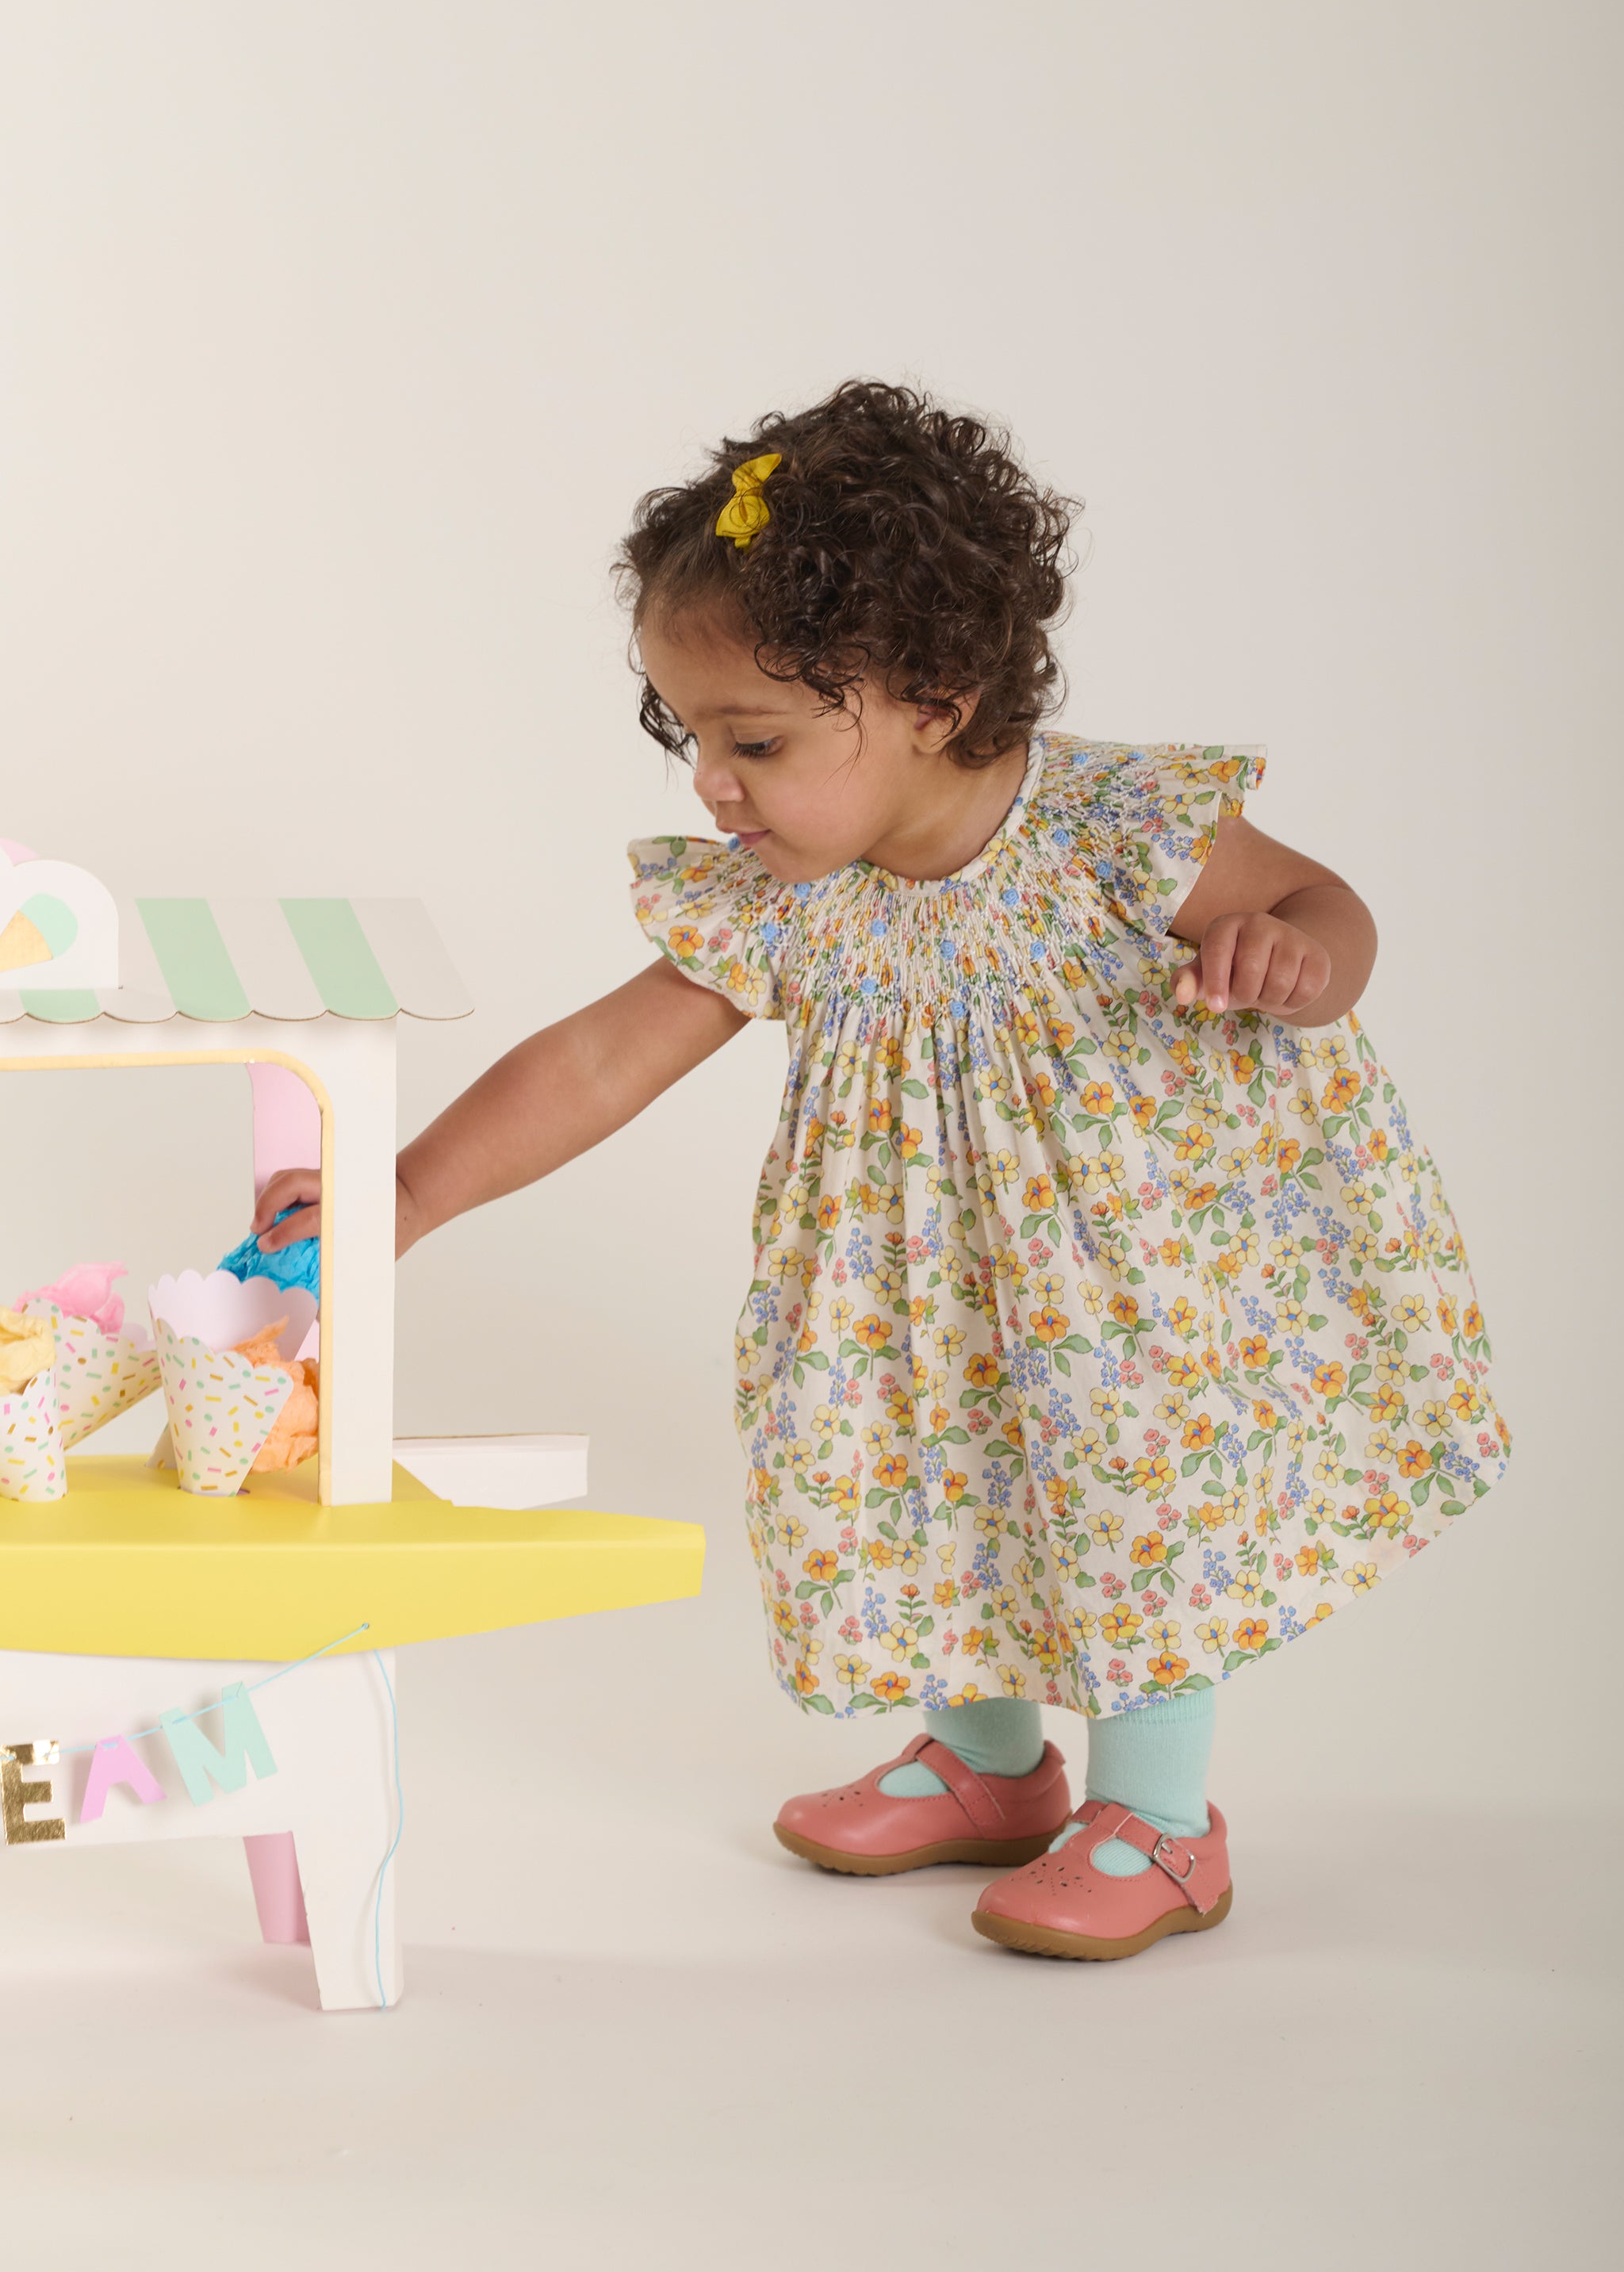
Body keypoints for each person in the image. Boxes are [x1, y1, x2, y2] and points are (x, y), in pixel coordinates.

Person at [253, 381, 1506, 1961]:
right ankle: (990, 1771)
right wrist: (410, 1192)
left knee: (1134, 1496)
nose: (712, 784)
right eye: (691, 738)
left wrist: (1293, 955)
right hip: (910, 1277)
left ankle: (1163, 1822)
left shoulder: (1115, 830)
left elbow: (1324, 900)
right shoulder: (791, 899)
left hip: (1139, 1287)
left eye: (754, 740)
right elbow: (597, 1058)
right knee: (927, 1477)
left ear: (926, 691)